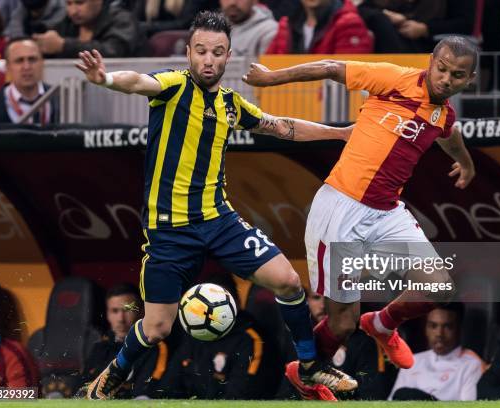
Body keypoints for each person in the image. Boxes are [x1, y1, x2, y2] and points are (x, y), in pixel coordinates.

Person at [76, 10, 357, 401]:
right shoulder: (173, 86)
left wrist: (340, 133)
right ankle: (113, 376)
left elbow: (281, 126)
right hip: (169, 230)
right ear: (189, 52)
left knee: (289, 283)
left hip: (218, 220)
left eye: (218, 52)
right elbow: (138, 81)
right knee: (156, 327)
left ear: (228, 56)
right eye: (202, 51)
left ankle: (310, 367)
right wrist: (104, 79)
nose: (209, 60)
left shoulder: (230, 104)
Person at [243, 35, 477, 392]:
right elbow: (329, 67)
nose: (446, 79)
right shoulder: (394, 78)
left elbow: (447, 132)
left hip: (387, 213)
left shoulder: (443, 114)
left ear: (469, 79)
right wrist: (270, 78)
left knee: (439, 287)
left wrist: (464, 162)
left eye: (457, 75)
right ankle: (305, 373)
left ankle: (382, 323)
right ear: (431, 60)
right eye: (441, 69)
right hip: (340, 209)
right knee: (342, 324)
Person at [78, 283, 169, 398]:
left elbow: (146, 393)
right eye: (115, 311)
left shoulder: (155, 347)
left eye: (127, 309)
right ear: (107, 314)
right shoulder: (99, 349)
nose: (121, 319)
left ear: (141, 311)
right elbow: (81, 389)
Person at [389, 303, 485, 400]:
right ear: (426, 329)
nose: (439, 334)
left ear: (459, 329)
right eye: (433, 326)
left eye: (447, 327)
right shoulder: (412, 360)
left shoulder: (471, 365)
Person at [0, 37, 59, 125]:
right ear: (7, 67)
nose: (27, 67)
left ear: (42, 63)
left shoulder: (63, 99)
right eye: (19, 61)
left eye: (32, 59)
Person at [32, 0, 144, 58]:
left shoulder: (123, 19)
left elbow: (113, 52)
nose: (73, 11)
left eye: (79, 3)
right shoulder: (67, 23)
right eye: (69, 3)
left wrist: (64, 46)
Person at [266, 0, 373, 54]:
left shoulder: (349, 23)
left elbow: (348, 77)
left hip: (330, 96)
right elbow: (269, 70)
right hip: (288, 94)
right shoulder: (286, 24)